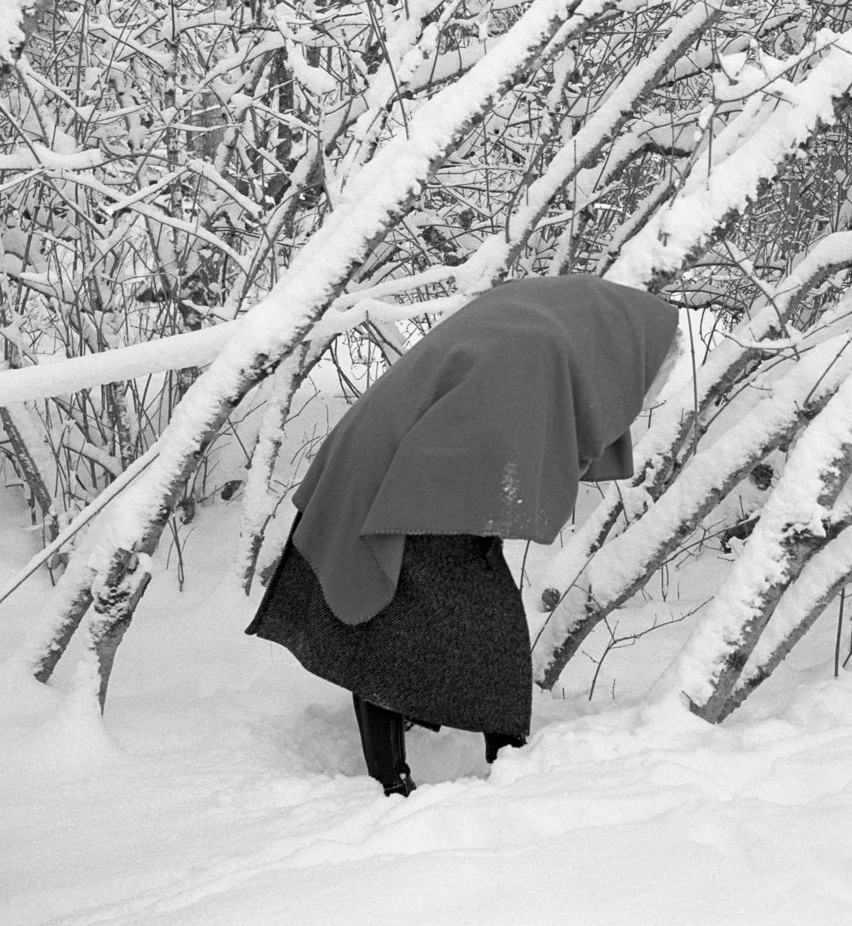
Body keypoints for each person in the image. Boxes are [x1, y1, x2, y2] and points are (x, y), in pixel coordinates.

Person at [246, 275, 680, 796]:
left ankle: (507, 766)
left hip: (407, 470)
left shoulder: (542, 322)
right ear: (626, 351)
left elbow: (518, 424)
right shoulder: (538, 343)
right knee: (393, 632)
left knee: (474, 628)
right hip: (396, 482)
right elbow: (488, 432)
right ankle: (399, 784)